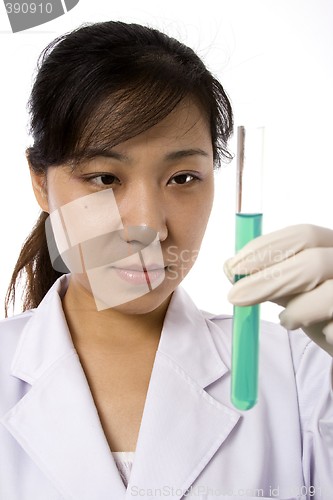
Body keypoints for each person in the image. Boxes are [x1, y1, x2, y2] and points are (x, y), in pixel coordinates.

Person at [0, 20, 332, 500]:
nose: (150, 226)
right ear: (40, 182)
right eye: (104, 178)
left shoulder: (304, 372)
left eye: (182, 178)